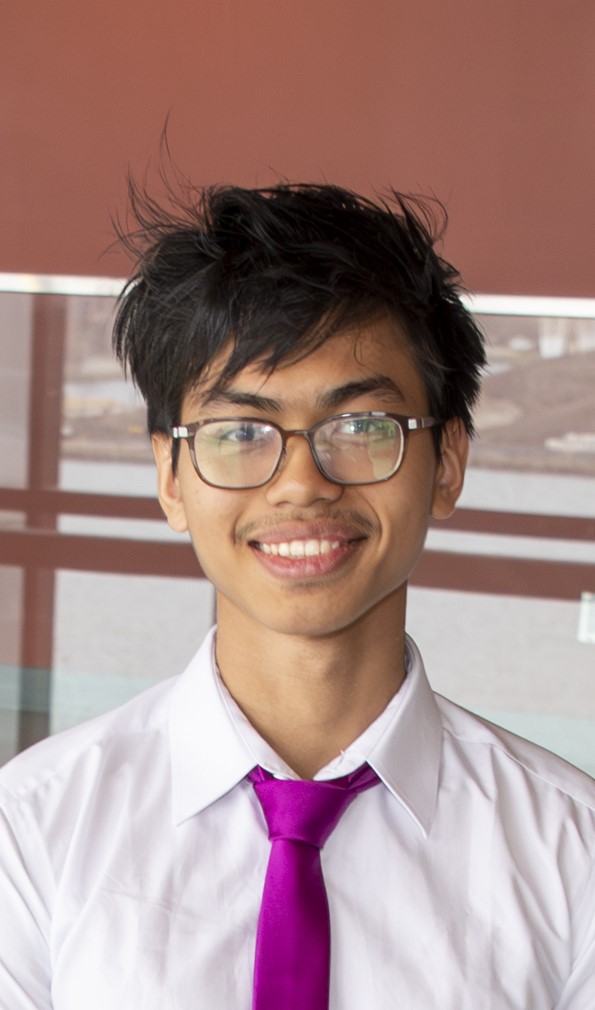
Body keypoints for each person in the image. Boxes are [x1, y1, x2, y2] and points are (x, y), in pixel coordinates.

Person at [0, 182, 594, 1010]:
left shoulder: (572, 855)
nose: (300, 484)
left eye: (360, 428)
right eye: (239, 433)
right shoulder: (31, 833)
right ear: (170, 477)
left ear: (447, 461)